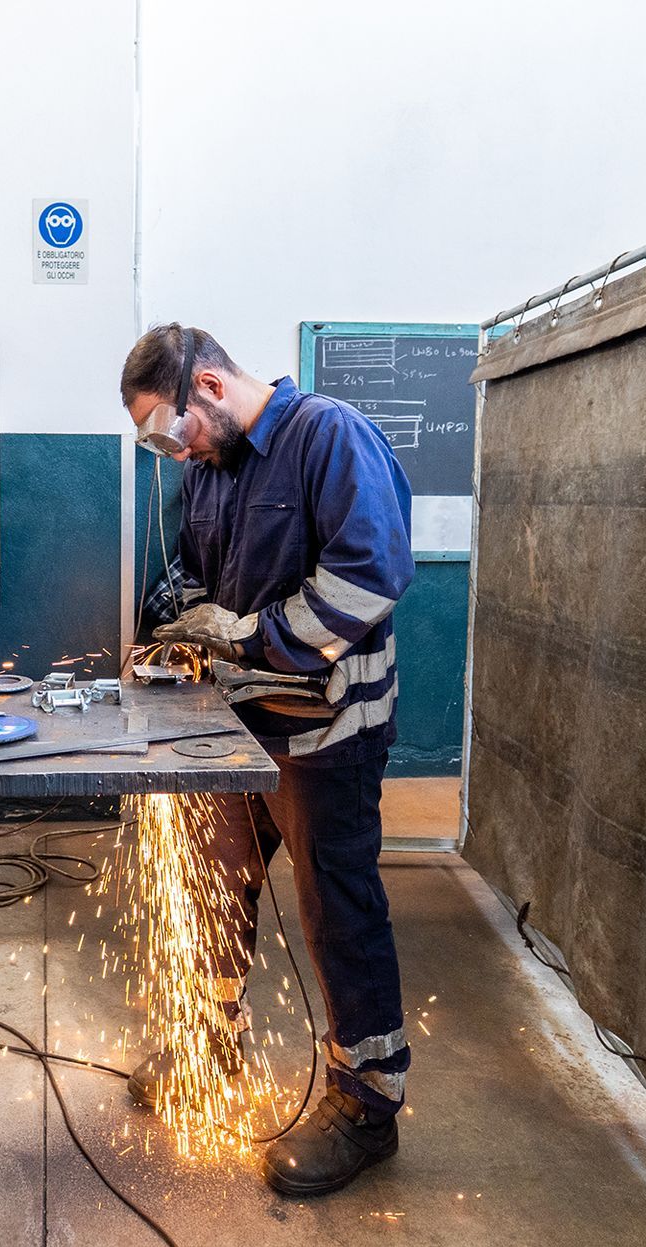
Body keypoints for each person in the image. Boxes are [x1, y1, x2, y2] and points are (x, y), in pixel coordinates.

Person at [119, 322, 415, 1196]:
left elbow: (369, 578)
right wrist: (182, 621)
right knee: (213, 879)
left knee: (337, 909)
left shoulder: (329, 436)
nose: (173, 454)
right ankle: (211, 1033)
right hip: (238, 729)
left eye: (170, 433)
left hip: (327, 734)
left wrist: (254, 636)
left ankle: (368, 1101)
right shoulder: (212, 473)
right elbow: (203, 578)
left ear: (207, 386)